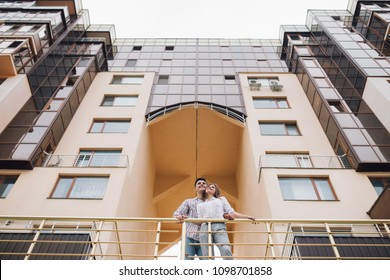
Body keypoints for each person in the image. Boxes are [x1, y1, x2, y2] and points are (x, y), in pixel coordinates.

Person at [197, 183, 255, 260]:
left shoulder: (221, 199)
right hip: (205, 227)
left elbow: (232, 212)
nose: (210, 187)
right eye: (208, 186)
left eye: (213, 187)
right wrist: (186, 219)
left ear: (216, 191)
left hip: (219, 226)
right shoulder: (200, 205)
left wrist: (247, 217)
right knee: (207, 254)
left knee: (225, 248)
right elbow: (200, 220)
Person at [173, 177, 207, 260]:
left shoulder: (211, 203)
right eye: (199, 183)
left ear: (207, 187)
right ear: (195, 189)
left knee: (207, 262)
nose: (201, 184)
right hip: (188, 238)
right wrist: (180, 218)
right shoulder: (188, 202)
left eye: (204, 183)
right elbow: (175, 215)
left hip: (205, 238)